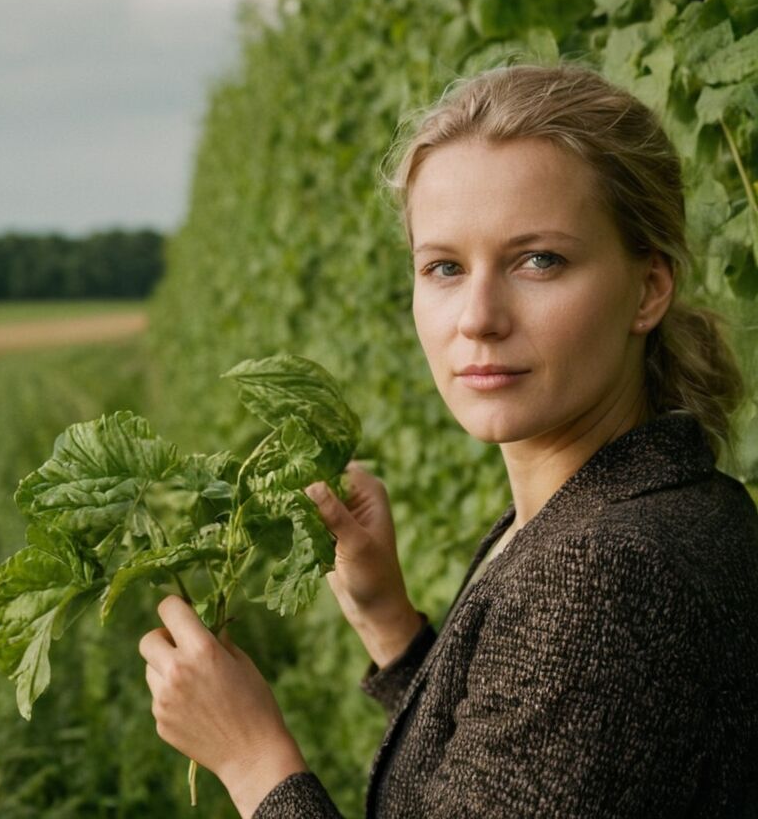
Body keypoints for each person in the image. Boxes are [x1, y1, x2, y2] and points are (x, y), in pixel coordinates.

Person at [138, 64, 758, 818]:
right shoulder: (651, 505)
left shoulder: (603, 571)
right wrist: (390, 625)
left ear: (649, 288)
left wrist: (251, 758)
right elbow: (536, 767)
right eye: (444, 267)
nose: (478, 317)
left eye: (540, 260)